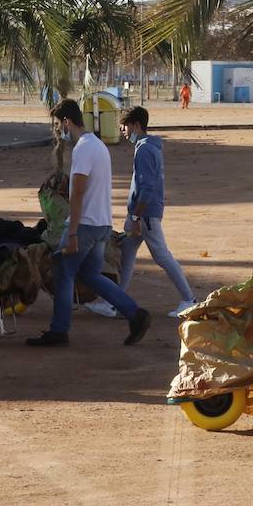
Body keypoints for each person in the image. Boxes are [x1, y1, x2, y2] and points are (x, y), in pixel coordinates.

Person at [27, 99, 152, 348]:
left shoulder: (83, 148)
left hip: (85, 225)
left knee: (62, 272)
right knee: (90, 274)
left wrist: (71, 232)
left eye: (57, 124)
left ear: (67, 122)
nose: (57, 130)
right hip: (101, 224)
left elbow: (78, 193)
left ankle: (59, 331)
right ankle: (134, 313)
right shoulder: (97, 145)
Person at [84, 107, 197, 319]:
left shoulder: (145, 150)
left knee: (162, 256)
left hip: (145, 215)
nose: (122, 130)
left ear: (136, 125)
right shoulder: (149, 147)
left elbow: (146, 188)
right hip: (143, 214)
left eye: (125, 126)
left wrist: (136, 217)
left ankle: (189, 299)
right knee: (127, 254)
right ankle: (113, 303)